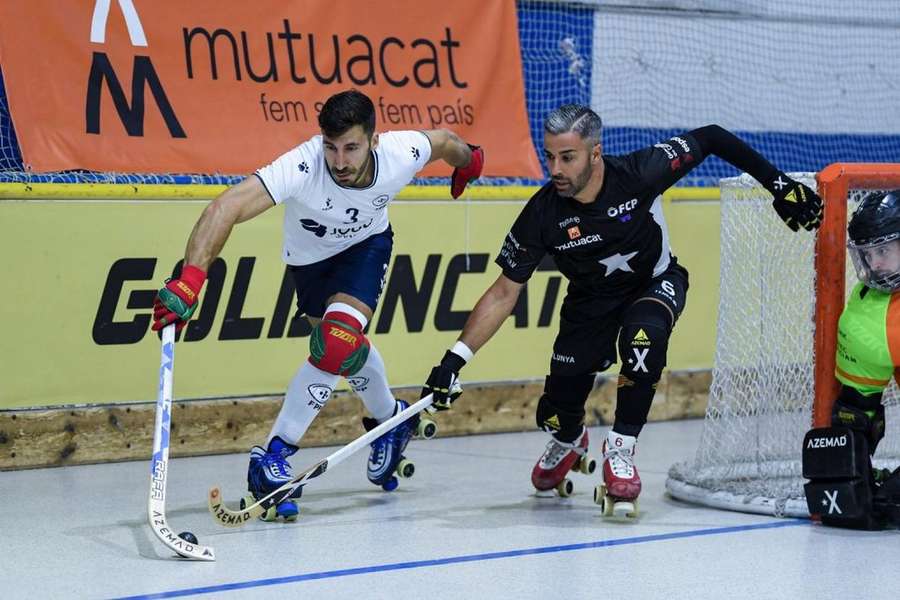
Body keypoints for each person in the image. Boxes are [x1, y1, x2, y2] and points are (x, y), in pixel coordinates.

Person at [420, 104, 822, 514]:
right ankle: (569, 438)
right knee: (554, 412)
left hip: (654, 282)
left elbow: (713, 136)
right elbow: (504, 293)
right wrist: (453, 361)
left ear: (595, 153)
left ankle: (621, 450)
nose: (555, 168)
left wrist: (780, 185)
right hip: (590, 302)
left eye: (567, 157)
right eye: (550, 156)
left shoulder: (641, 171)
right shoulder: (541, 214)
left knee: (642, 338)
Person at [151, 89, 484, 520]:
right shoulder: (305, 165)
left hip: (366, 248)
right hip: (308, 264)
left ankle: (272, 457)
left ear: (374, 140)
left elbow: (443, 143)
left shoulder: (402, 152)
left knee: (336, 342)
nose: (340, 162)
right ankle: (391, 420)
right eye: (331, 147)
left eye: (351, 148)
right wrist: (190, 280)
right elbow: (226, 207)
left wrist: (470, 162)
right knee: (343, 353)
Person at [802, 189, 900, 530]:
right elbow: (856, 412)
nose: (874, 264)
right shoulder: (866, 313)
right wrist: (851, 480)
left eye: (883, 250)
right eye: (868, 253)